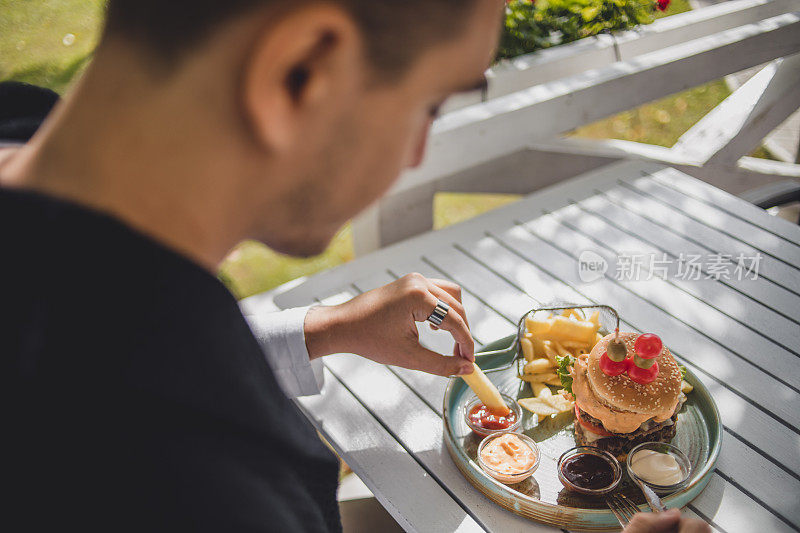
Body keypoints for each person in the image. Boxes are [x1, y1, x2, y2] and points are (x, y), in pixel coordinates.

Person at [0, 0, 710, 531]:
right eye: (430, 104)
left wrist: (324, 326)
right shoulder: (199, 481)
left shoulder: (26, 146)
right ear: (302, 69)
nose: (416, 157)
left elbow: (116, 325)